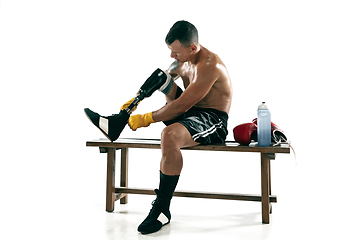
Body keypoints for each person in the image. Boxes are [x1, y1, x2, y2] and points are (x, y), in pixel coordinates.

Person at [85, 20, 232, 234]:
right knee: (160, 76)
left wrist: (143, 119)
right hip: (190, 113)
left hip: (212, 120)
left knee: (169, 135)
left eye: (176, 52)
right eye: (170, 51)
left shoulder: (209, 66)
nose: (172, 56)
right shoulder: (182, 61)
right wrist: (132, 105)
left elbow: (181, 105)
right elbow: (162, 80)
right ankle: (118, 120)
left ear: (193, 48)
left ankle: (162, 209)